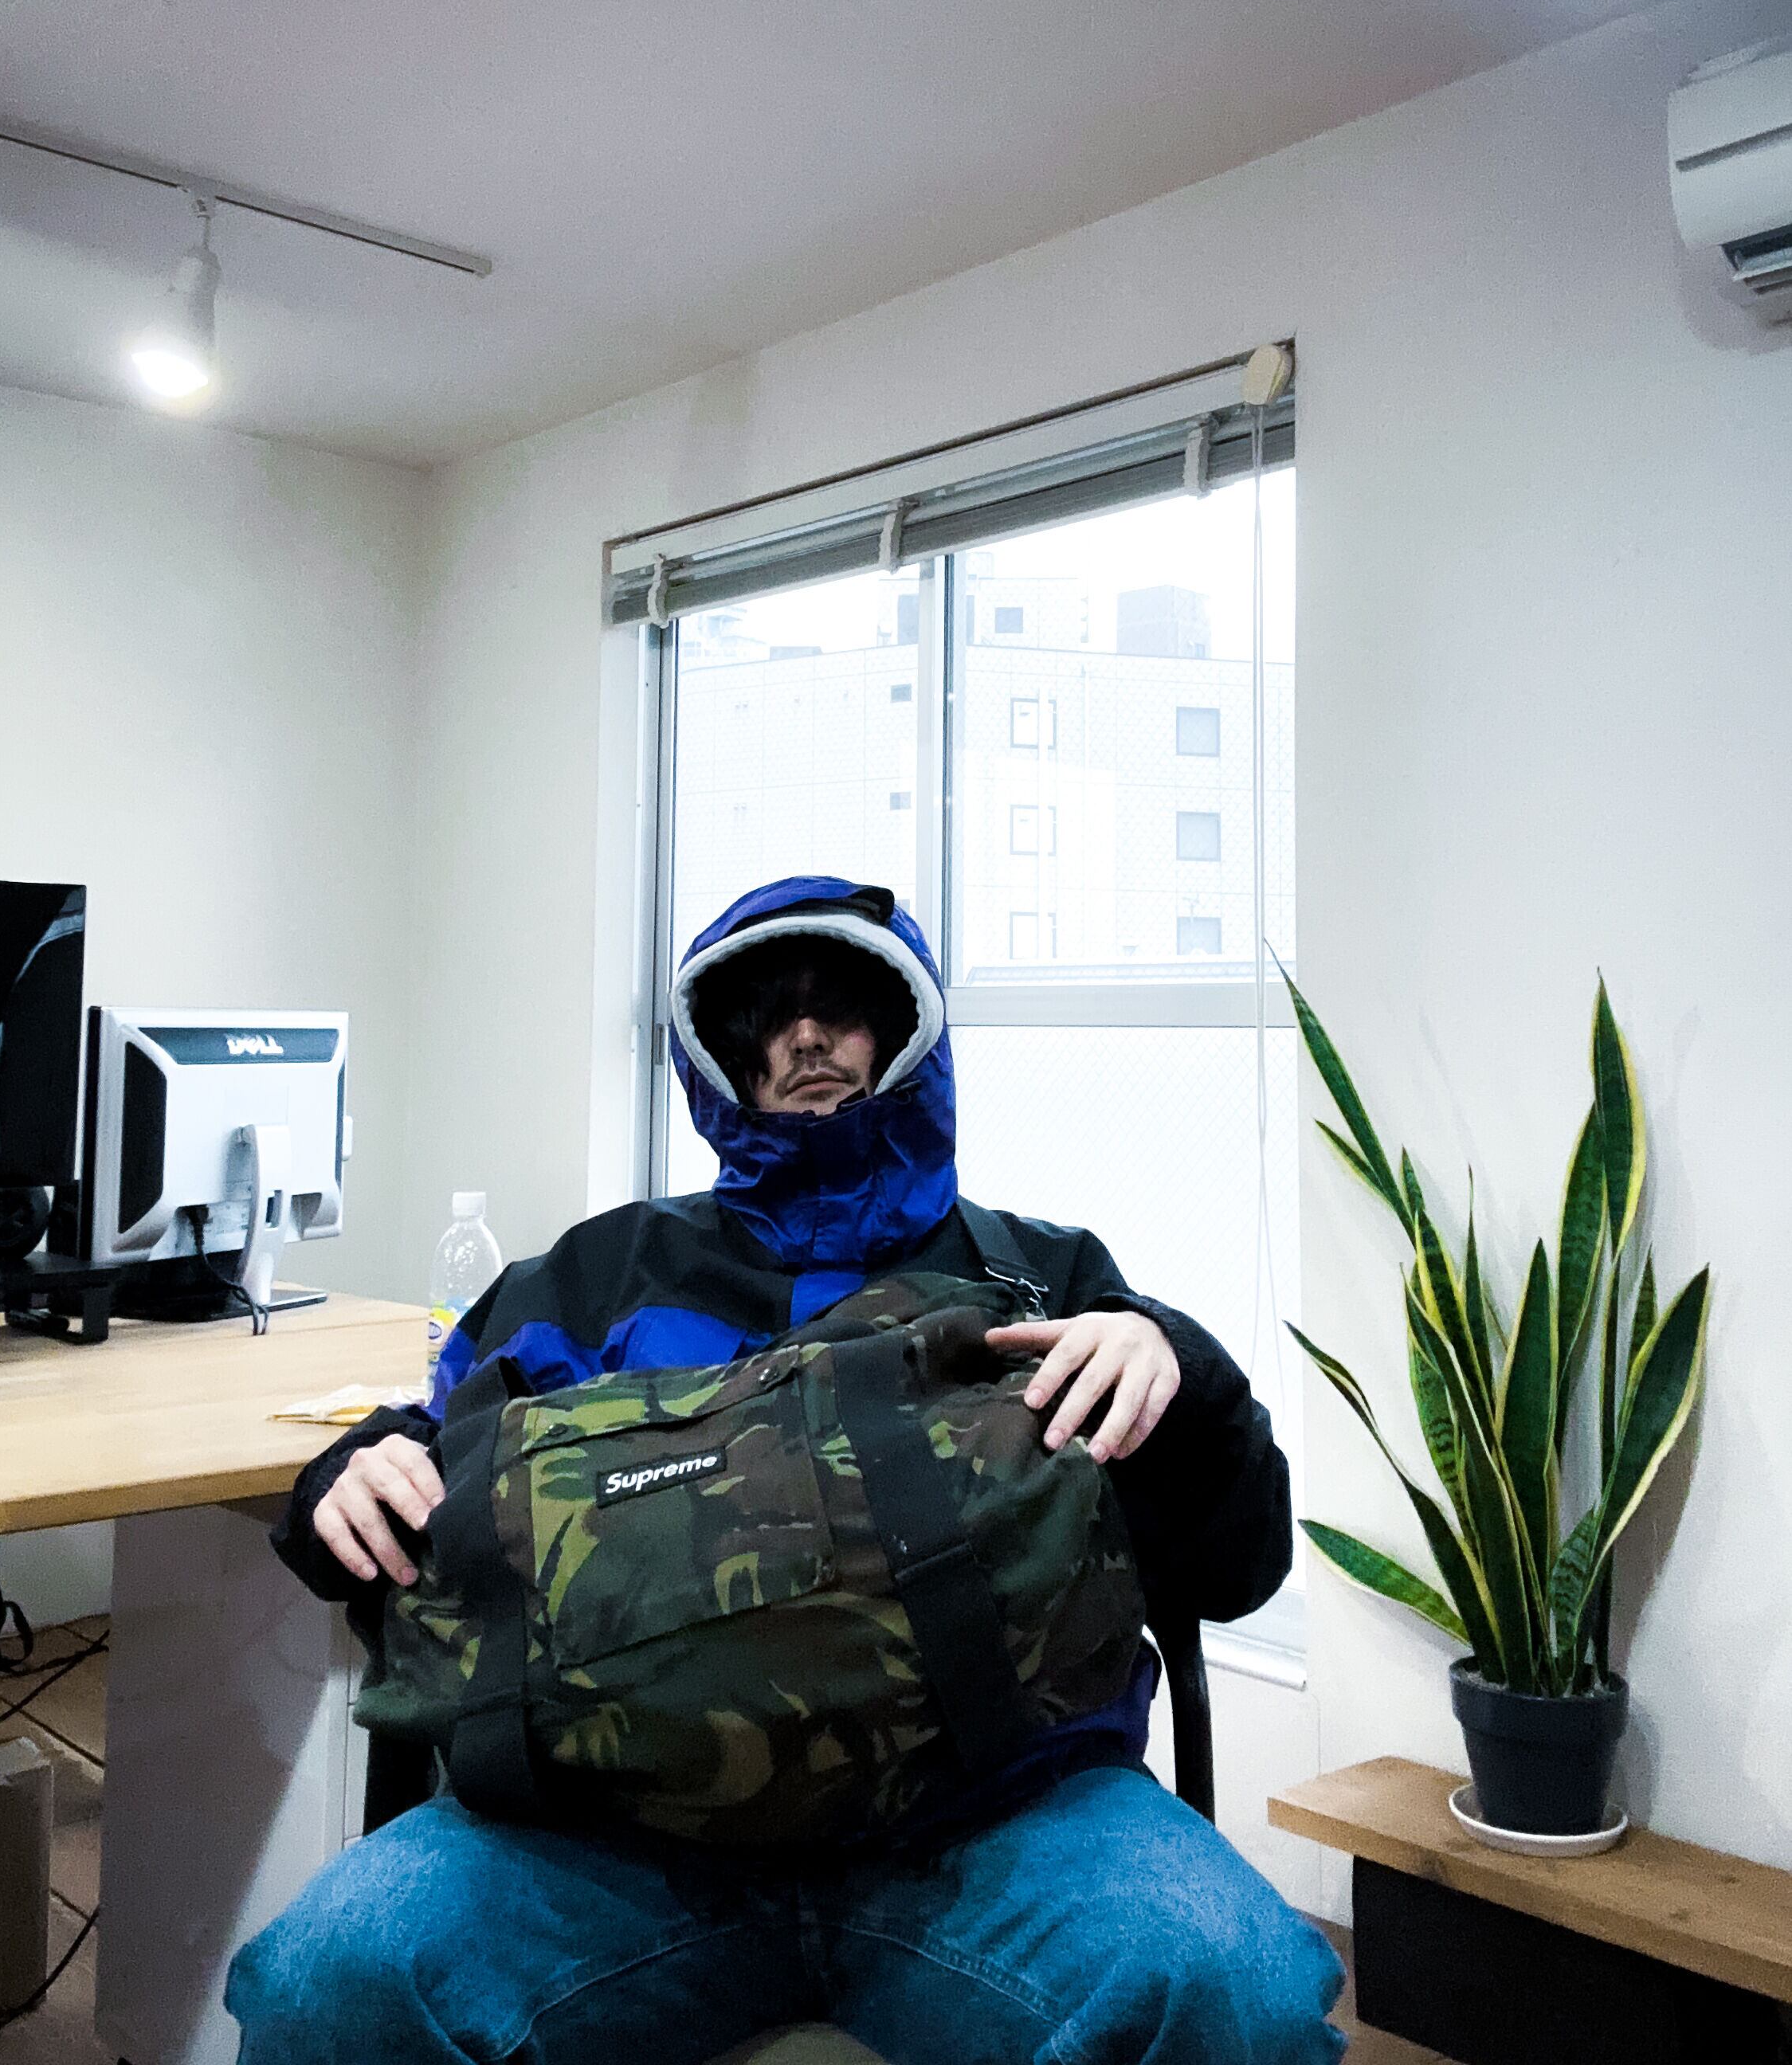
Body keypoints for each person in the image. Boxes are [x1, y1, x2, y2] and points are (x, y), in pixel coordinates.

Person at [229, 877, 1343, 2063]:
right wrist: (353, 1470)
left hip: (1000, 1831)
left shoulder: (1043, 1281)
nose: (805, 1036)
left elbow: (1236, 1569)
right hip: (608, 1844)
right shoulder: (595, 1279)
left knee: (1235, 1992)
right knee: (331, 1982)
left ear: (907, 1031)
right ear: (721, 1059)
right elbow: (435, 1455)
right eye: (765, 1015)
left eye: (843, 1004)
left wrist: (1178, 1367)